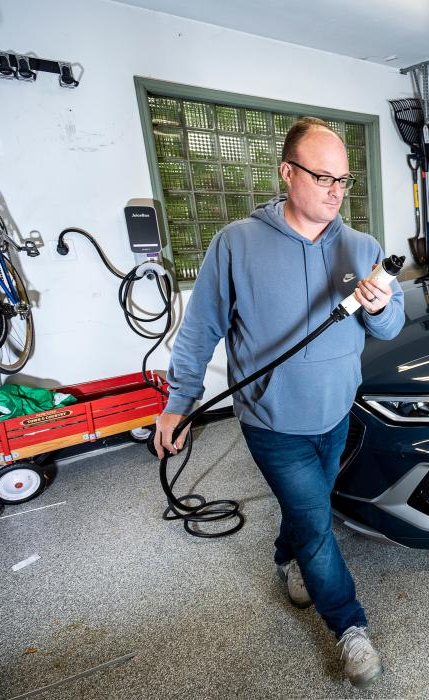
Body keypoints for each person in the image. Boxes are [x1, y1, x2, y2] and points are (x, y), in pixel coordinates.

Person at [153, 117, 405, 688]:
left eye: (344, 180)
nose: (336, 190)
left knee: (307, 507)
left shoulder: (362, 247)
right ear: (287, 173)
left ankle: (282, 558)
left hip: (337, 414)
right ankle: (351, 628)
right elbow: (200, 330)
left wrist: (379, 304)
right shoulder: (236, 243)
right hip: (272, 421)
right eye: (323, 177)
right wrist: (179, 401)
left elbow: (391, 326)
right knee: (318, 524)